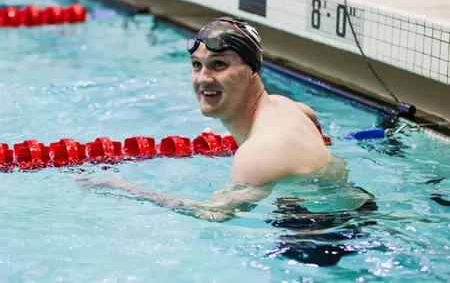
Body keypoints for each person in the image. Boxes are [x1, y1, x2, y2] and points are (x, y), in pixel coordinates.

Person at [80, 16, 365, 222]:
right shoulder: (288, 106)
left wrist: (125, 189)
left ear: (253, 70)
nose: (203, 78)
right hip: (354, 207)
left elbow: (214, 213)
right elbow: (310, 119)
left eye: (219, 65)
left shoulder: (258, 155)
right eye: (197, 66)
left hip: (319, 235)